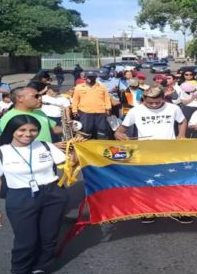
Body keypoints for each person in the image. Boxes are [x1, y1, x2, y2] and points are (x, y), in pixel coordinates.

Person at [0, 114, 69, 274]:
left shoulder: (46, 146)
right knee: (26, 239)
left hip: (52, 194)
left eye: (33, 130)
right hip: (20, 196)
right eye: (22, 130)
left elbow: (68, 163)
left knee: (49, 236)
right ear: (12, 131)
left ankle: (40, 269)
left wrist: (75, 147)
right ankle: (19, 272)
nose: (28, 134)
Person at [114, 86, 189, 224]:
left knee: (172, 182)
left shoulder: (173, 108)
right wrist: (119, 134)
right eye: (150, 103)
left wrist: (181, 135)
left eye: (157, 102)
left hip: (170, 151)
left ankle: (176, 209)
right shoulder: (135, 111)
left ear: (163, 98)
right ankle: (148, 210)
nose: (154, 105)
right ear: (144, 99)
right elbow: (120, 130)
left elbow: (182, 121)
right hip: (146, 153)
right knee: (148, 183)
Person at [71, 71, 113, 139]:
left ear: (96, 78)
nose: (90, 79)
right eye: (89, 77)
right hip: (85, 113)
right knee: (86, 131)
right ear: (85, 78)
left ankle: (100, 146)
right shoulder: (79, 87)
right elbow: (75, 100)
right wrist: (74, 110)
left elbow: (107, 98)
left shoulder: (102, 87)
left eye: (92, 77)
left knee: (101, 131)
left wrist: (108, 109)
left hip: (100, 113)